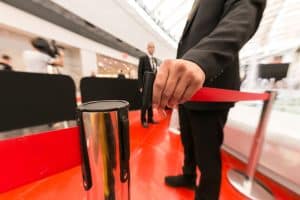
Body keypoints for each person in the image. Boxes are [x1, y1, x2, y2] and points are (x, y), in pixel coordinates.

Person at [152, 0, 266, 199]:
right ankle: (188, 176)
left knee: (208, 155)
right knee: (187, 140)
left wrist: (200, 60)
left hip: (212, 85)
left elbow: (242, 16)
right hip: (188, 89)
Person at [138, 42, 159, 128]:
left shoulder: (155, 60)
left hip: (152, 84)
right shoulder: (143, 58)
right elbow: (139, 72)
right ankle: (143, 120)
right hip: (145, 84)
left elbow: (155, 72)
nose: (152, 49)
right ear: (147, 48)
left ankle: (150, 118)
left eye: (153, 47)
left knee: (151, 102)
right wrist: (140, 86)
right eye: (150, 47)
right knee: (145, 103)